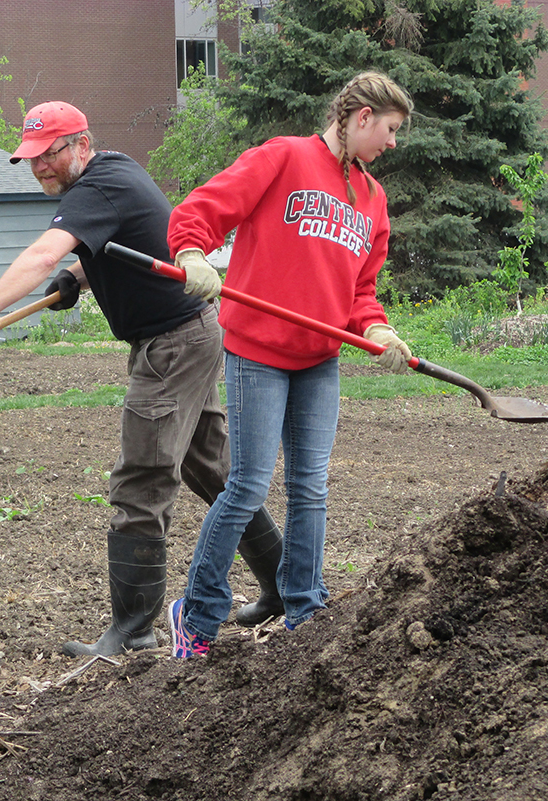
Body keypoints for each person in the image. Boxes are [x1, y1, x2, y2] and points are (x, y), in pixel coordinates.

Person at [0, 101, 286, 658]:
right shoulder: (116, 170)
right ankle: (283, 587)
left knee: (141, 482)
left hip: (172, 347)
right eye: (31, 158)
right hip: (190, 335)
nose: (40, 167)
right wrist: (79, 275)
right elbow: (130, 240)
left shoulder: (92, 188)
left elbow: (44, 250)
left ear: (80, 145)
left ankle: (134, 630)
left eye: (48, 154)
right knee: (214, 472)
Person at [163, 72, 414, 658]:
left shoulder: (372, 200)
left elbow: (361, 289)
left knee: (310, 487)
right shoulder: (284, 158)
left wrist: (376, 327)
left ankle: (303, 609)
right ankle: (196, 615)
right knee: (249, 483)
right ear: (359, 118)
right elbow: (202, 209)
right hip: (258, 352)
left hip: (319, 360)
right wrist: (194, 252)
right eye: (390, 129)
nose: (393, 143)